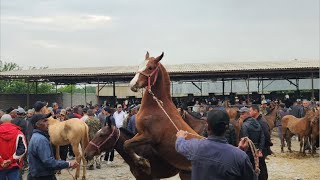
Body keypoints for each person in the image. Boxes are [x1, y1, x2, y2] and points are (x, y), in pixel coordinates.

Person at [175, 110, 257, 180]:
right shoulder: (240, 156)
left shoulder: (195, 146)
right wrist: (239, 151)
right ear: (227, 128)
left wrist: (180, 137)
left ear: (207, 127)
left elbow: (180, 146)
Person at [27, 113, 79, 180]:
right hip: (43, 176)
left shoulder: (36, 137)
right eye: (44, 121)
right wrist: (68, 164)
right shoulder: (41, 140)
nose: (48, 123)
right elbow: (48, 162)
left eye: (47, 120)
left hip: (37, 174)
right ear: (37, 125)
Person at [0, 114, 27, 180]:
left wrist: (1, 161)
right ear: (11, 121)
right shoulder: (19, 132)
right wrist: (11, 160)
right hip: (14, 165)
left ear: (1, 121)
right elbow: (23, 149)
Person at [250, 105, 272, 180]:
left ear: (255, 111)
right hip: (260, 147)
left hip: (262, 148)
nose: (249, 112)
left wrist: (263, 148)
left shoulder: (261, 122)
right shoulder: (256, 121)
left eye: (250, 111)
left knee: (261, 165)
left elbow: (266, 135)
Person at [239, 107, 265, 171]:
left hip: (249, 152)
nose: (241, 116)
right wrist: (260, 149)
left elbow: (245, 141)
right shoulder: (257, 123)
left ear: (247, 114)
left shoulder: (244, 125)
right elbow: (262, 137)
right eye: (240, 114)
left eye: (242, 114)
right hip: (257, 151)